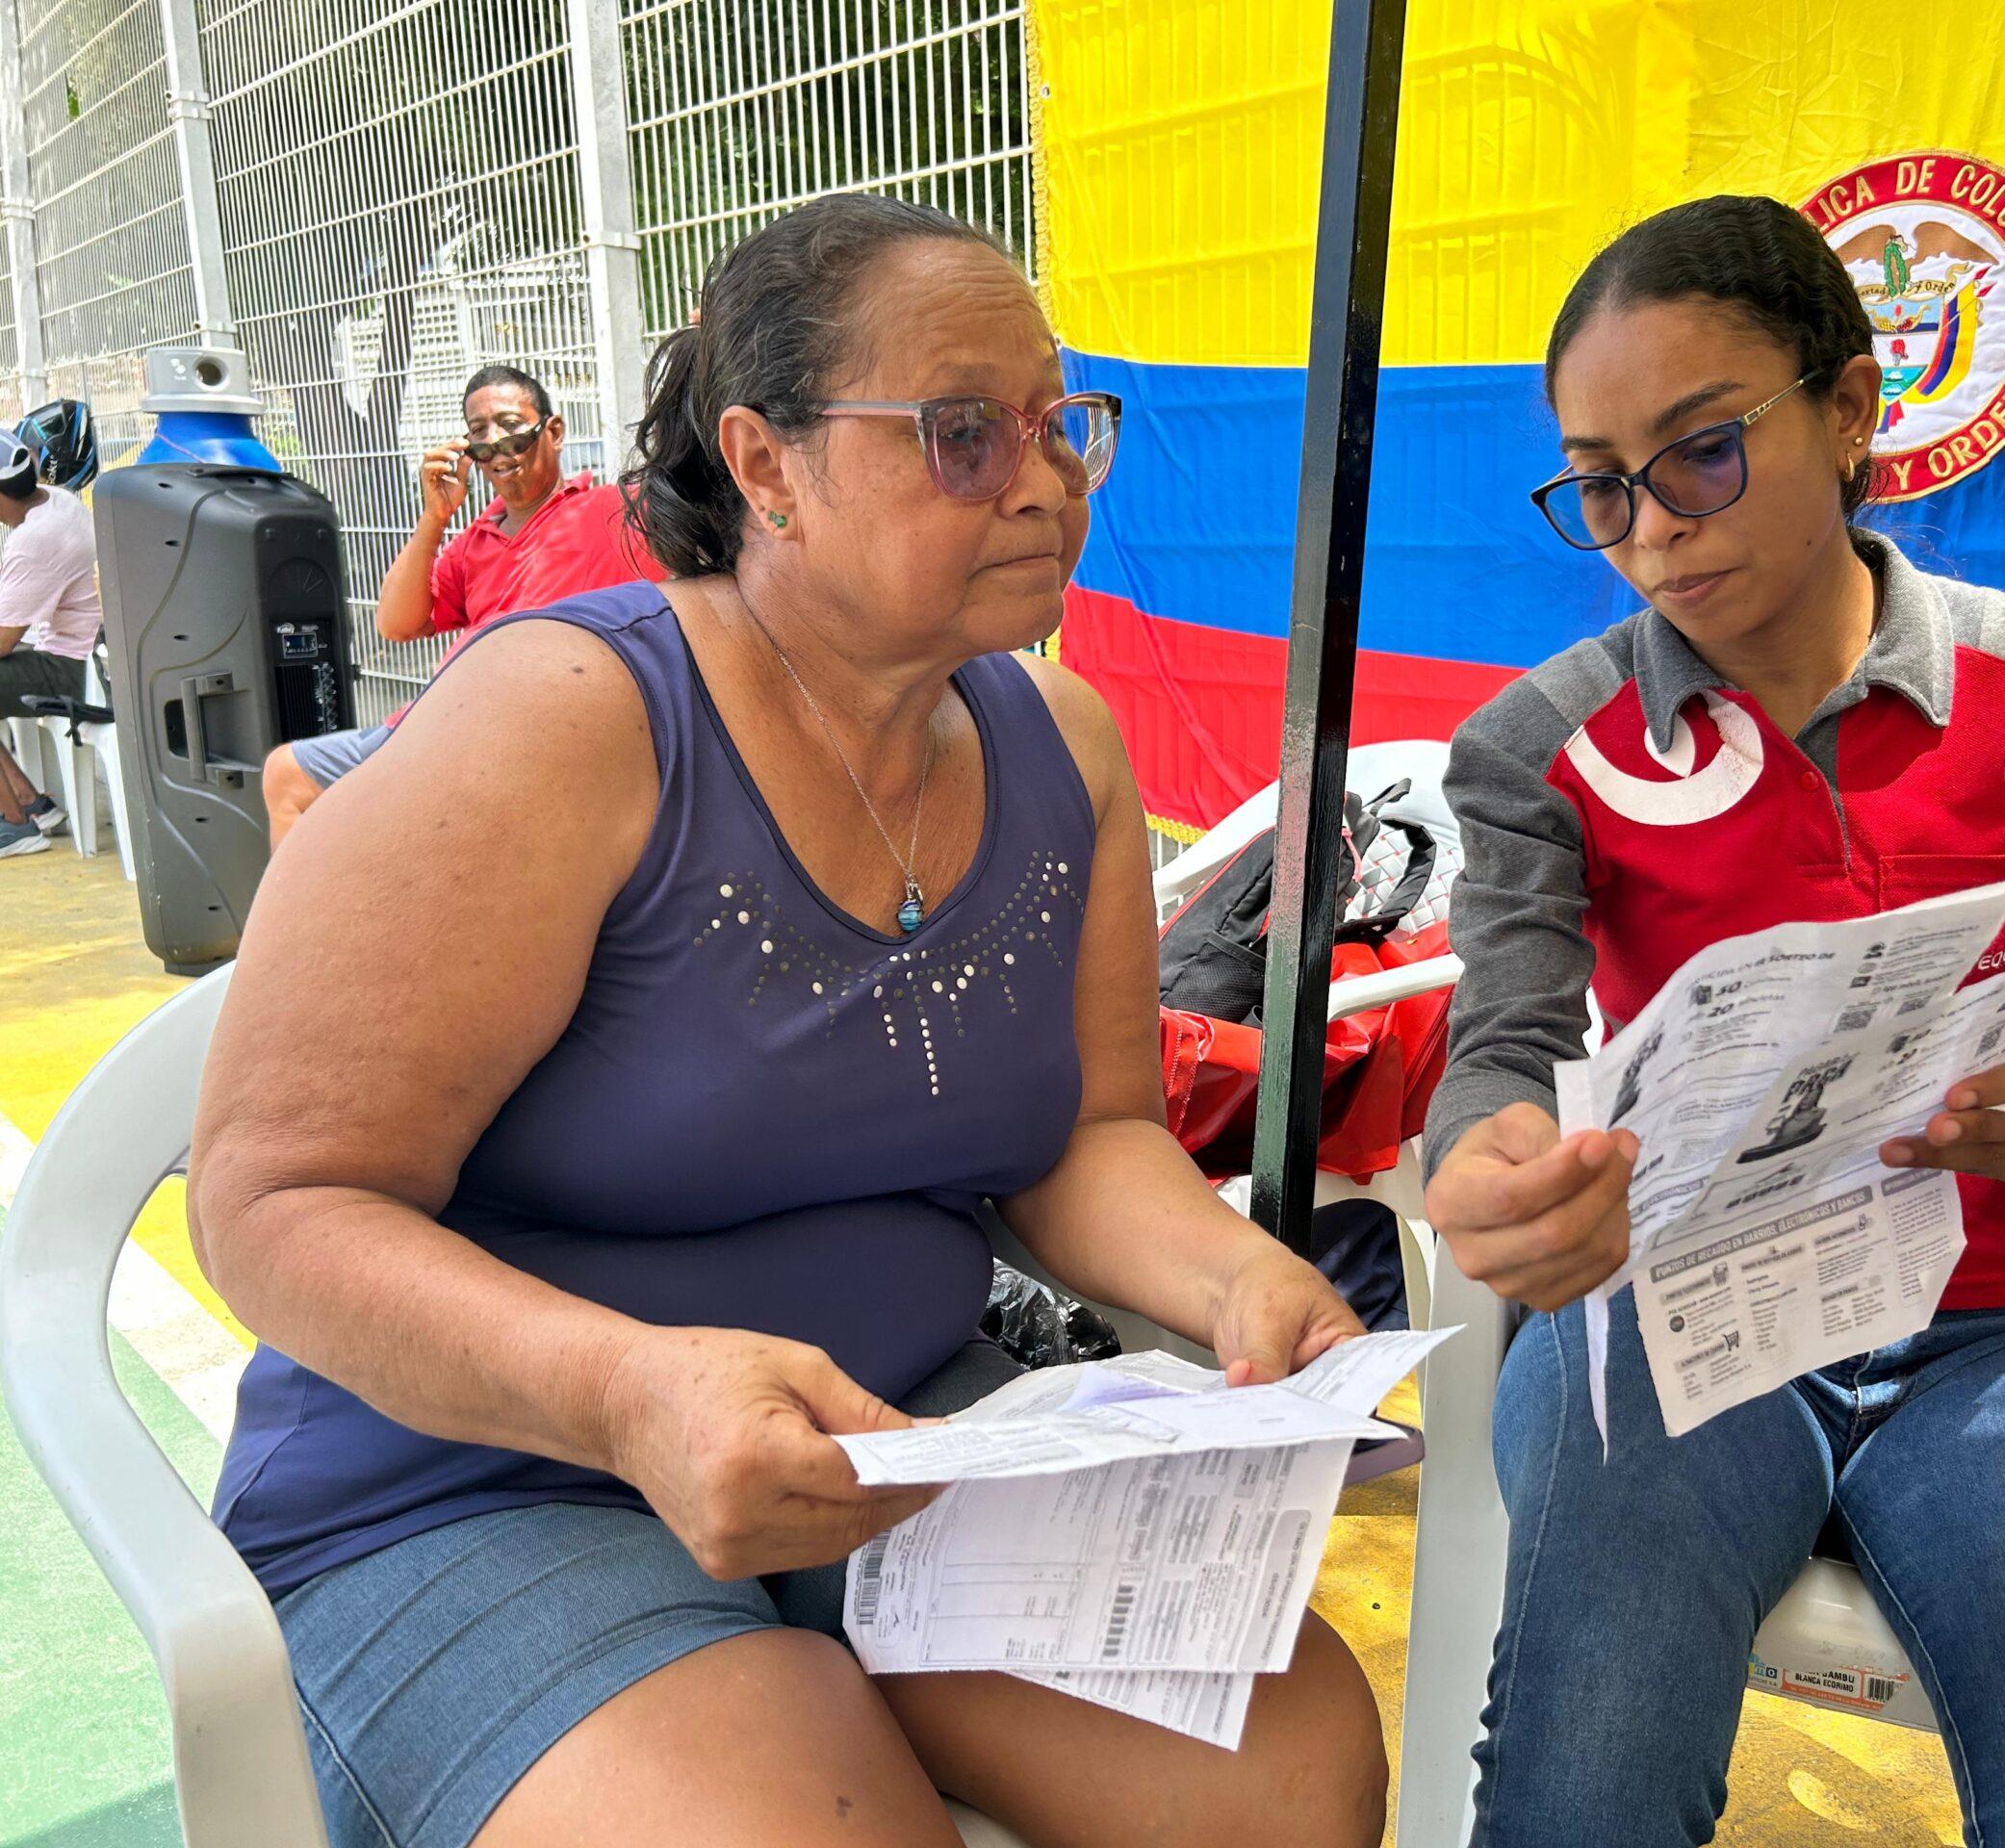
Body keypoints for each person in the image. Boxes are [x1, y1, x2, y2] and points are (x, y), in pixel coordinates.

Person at [190, 193, 1386, 1848]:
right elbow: (275, 1203)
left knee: (1290, 1769)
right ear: (764, 465)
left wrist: (1237, 1282)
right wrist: (627, 1393)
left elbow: (1089, 1135)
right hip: (488, 1472)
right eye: (962, 433)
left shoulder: (1064, 745)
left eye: (1060, 424)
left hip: (898, 1438)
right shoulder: (568, 723)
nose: (1045, 482)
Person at [1422, 195, 2005, 1847]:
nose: (1654, 529)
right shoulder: (1545, 745)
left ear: (1853, 410)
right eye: (1601, 483)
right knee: (1582, 1784)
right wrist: (1491, 1158)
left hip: (2000, 1335)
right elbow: (1502, 1039)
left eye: (1703, 452)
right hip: (1669, 1317)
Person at [262, 364, 661, 843]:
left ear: (553, 432)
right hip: (438, 727)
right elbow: (395, 624)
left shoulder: (611, 511)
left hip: (519, 738)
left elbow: (697, 494)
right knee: (286, 774)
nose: (496, 444)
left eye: (511, 426)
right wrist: (434, 518)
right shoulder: (474, 541)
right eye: (479, 433)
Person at [0, 424, 104, 860]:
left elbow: (2, 642)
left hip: (72, 668)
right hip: (87, 653)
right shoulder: (58, 501)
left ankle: (14, 827)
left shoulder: (32, 540)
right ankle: (30, 803)